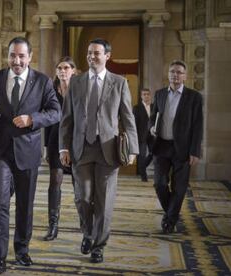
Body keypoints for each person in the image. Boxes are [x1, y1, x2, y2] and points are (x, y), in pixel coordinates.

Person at [0, 36, 61, 274]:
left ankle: (22, 250)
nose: (17, 60)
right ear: (8, 56)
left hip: (27, 151)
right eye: (13, 55)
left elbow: (55, 112)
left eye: (22, 56)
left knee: (25, 205)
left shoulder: (42, 82)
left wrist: (32, 119)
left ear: (30, 57)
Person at [59, 38, 138, 263]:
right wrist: (63, 147)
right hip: (80, 149)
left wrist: (132, 148)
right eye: (89, 53)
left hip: (108, 150)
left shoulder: (119, 83)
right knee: (82, 197)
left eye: (96, 53)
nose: (92, 57)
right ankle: (88, 233)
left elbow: (127, 117)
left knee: (104, 201)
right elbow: (67, 119)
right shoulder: (76, 82)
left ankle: (98, 246)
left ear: (107, 56)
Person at [150, 60, 203, 234]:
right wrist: (151, 128)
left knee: (179, 188)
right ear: (168, 74)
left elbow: (197, 125)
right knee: (159, 183)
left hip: (183, 149)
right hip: (162, 146)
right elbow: (153, 117)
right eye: (172, 71)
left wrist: (195, 151)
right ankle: (171, 214)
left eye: (179, 72)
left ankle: (169, 221)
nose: (175, 75)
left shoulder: (194, 97)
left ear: (185, 76)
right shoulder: (159, 95)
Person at [43, 56, 76, 241]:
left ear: (73, 71)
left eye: (66, 68)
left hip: (75, 142)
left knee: (78, 184)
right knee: (55, 181)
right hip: (55, 140)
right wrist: (47, 147)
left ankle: (85, 224)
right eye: (60, 68)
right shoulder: (51, 92)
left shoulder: (79, 90)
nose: (63, 71)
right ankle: (53, 225)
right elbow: (47, 121)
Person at [133, 88, 154, 182]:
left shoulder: (154, 107)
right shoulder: (137, 108)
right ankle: (143, 177)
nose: (146, 96)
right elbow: (134, 123)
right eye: (144, 94)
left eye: (147, 94)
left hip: (153, 135)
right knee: (141, 155)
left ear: (150, 95)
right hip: (141, 135)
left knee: (153, 153)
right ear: (141, 96)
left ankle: (142, 167)